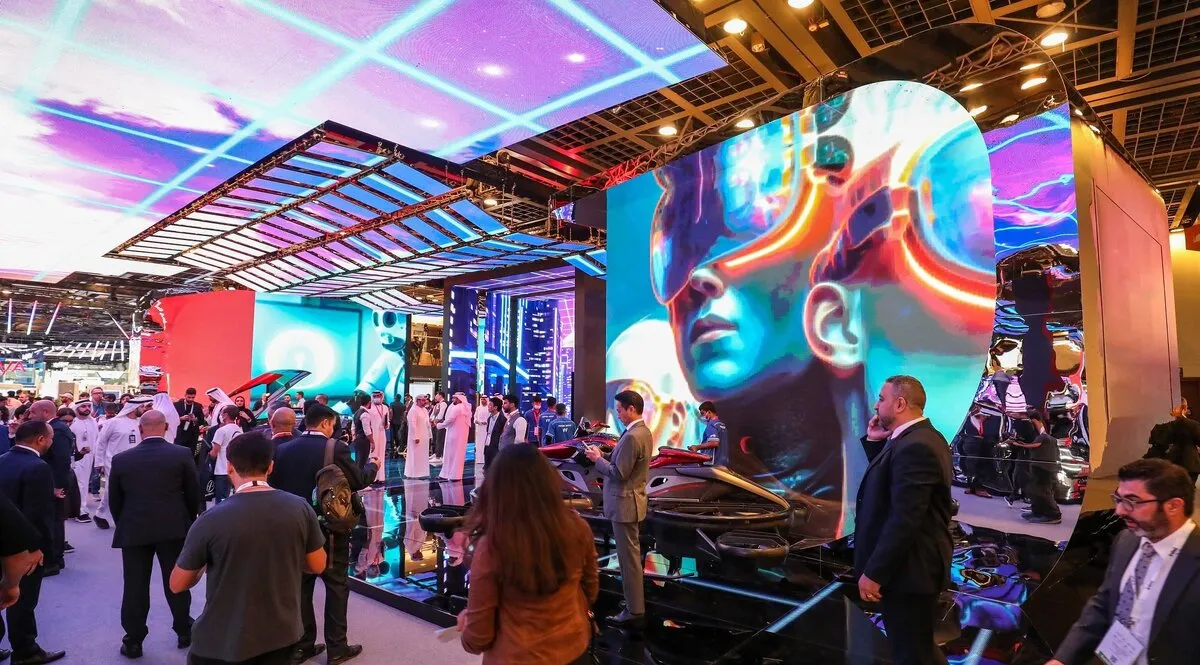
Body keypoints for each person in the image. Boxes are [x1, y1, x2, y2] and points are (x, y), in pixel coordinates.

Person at [171, 431, 327, 665]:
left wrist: (203, 563)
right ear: (270, 466)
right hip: (282, 635)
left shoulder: (211, 519)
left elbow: (178, 584)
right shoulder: (300, 508)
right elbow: (318, 564)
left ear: (230, 466)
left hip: (223, 640)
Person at [1048, 458, 1199, 665]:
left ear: (1173, 506)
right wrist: (1063, 658)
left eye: (1132, 501)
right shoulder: (1127, 540)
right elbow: (1104, 602)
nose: (1119, 511)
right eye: (1118, 499)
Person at [457, 444, 598, 663]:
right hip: (574, 649)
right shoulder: (578, 527)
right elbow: (590, 588)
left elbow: (478, 638)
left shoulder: (492, 546)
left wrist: (468, 624)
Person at [854, 376, 953, 665]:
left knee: (912, 653)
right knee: (918, 649)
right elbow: (892, 484)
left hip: (910, 572)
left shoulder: (915, 445)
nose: (876, 406)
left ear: (900, 404)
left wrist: (875, 573)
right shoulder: (918, 438)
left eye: (881, 399)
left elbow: (905, 519)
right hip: (910, 569)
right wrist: (875, 443)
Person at [270, 404, 376, 665]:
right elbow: (358, 480)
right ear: (326, 423)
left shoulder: (283, 449)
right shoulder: (335, 448)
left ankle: (302, 645)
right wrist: (373, 466)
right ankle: (337, 648)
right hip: (328, 530)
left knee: (301, 587)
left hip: (294, 529)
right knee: (336, 586)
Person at [108, 409, 202, 658]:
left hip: (134, 529)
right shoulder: (181, 454)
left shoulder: (121, 459)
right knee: (177, 581)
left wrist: (124, 523)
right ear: (166, 427)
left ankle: (133, 640)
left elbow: (114, 499)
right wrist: (189, 521)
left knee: (135, 585)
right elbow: (193, 492)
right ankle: (184, 630)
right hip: (173, 528)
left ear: (140, 429)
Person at [584, 390, 652, 629]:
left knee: (628, 560)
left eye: (620, 410)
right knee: (629, 558)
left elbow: (619, 472)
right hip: (630, 503)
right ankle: (633, 603)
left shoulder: (633, 436)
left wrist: (597, 460)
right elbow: (620, 460)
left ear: (632, 408)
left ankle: (634, 610)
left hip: (625, 505)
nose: (618, 414)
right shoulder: (641, 432)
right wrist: (602, 454)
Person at [0, 421, 67, 664]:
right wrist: (39, 549)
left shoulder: (2, 460)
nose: (51, 442)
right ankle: (25, 651)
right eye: (50, 438)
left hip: (2, 540)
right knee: (23, 601)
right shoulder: (38, 467)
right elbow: (38, 514)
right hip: (24, 548)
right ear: (40, 439)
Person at [94, 396, 153, 529]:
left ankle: (124, 516)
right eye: (142, 407)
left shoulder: (140, 423)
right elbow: (101, 442)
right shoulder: (113, 422)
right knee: (112, 490)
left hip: (135, 462)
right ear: (133, 408)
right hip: (114, 461)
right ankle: (101, 514)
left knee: (131, 490)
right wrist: (99, 462)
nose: (144, 409)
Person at [28, 401, 71, 572]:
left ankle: (53, 561)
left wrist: (57, 486)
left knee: (53, 522)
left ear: (45, 412)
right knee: (50, 520)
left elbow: (61, 459)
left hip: (53, 484)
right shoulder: (51, 427)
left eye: (33, 412)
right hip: (48, 481)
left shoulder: (58, 430)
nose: (30, 416)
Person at [1006, 411, 1062, 524]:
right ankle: (1038, 511)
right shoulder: (1040, 435)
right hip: (1038, 465)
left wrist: (1018, 444)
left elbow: (1034, 445)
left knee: (1043, 491)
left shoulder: (1044, 437)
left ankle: (1052, 515)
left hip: (1045, 467)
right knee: (1034, 489)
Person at [1146, 402, 1200, 485]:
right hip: (1190, 464)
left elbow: (1156, 442)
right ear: (1185, 409)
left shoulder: (1163, 427)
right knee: (1187, 490)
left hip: (1169, 463)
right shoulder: (1193, 425)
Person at [70, 401, 100, 523]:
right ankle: (80, 511)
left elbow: (97, 440)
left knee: (83, 483)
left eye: (88, 406)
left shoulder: (92, 422)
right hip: (75, 458)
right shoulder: (72, 422)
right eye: (83, 406)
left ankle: (75, 509)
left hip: (89, 458)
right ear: (77, 408)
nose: (87, 408)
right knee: (80, 484)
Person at [209, 405, 242, 505]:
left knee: (221, 500)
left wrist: (209, 455)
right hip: (236, 469)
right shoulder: (239, 430)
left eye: (222, 412)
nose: (220, 415)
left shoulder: (221, 430)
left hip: (222, 469)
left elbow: (215, 452)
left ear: (226, 415)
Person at [437, 392, 470, 482]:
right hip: (458, 435)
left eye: (454, 398)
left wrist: (439, 425)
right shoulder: (464, 407)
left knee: (451, 455)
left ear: (459, 399)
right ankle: (453, 475)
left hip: (454, 435)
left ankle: (451, 475)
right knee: (456, 455)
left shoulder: (458, 408)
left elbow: (450, 420)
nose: (453, 400)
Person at [688, 401, 729, 466]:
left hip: (712, 464)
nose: (701, 416)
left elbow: (714, 443)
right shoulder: (722, 425)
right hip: (723, 464)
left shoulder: (711, 424)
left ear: (709, 412)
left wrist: (697, 447)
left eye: (702, 413)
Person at [404, 395, 430, 479]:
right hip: (416, 437)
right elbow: (412, 425)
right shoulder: (413, 410)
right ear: (418, 401)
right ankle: (413, 474)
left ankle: (422, 473)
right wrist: (415, 436)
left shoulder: (425, 410)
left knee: (423, 455)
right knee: (415, 455)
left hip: (424, 437)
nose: (425, 402)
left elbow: (427, 423)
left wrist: (429, 434)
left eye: (425, 400)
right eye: (423, 400)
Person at [175, 388, 206, 454]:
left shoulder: (198, 406)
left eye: (193, 397)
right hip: (180, 433)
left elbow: (201, 421)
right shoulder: (177, 405)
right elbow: (172, 418)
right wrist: (180, 418)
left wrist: (195, 419)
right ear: (185, 395)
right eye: (189, 397)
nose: (191, 399)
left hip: (192, 434)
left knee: (191, 453)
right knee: (178, 452)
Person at [482, 397, 504, 470]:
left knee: (495, 468)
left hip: (496, 446)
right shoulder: (489, 418)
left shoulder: (502, 419)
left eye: (490, 405)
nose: (488, 406)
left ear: (495, 407)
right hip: (487, 444)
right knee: (486, 467)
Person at [430, 392, 448, 465]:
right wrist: (431, 420)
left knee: (439, 439)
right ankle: (436, 453)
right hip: (434, 424)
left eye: (436, 395)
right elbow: (433, 414)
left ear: (440, 396)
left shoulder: (443, 404)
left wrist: (436, 420)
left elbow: (441, 414)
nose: (435, 397)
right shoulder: (437, 404)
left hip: (440, 424)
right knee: (435, 439)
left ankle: (439, 456)